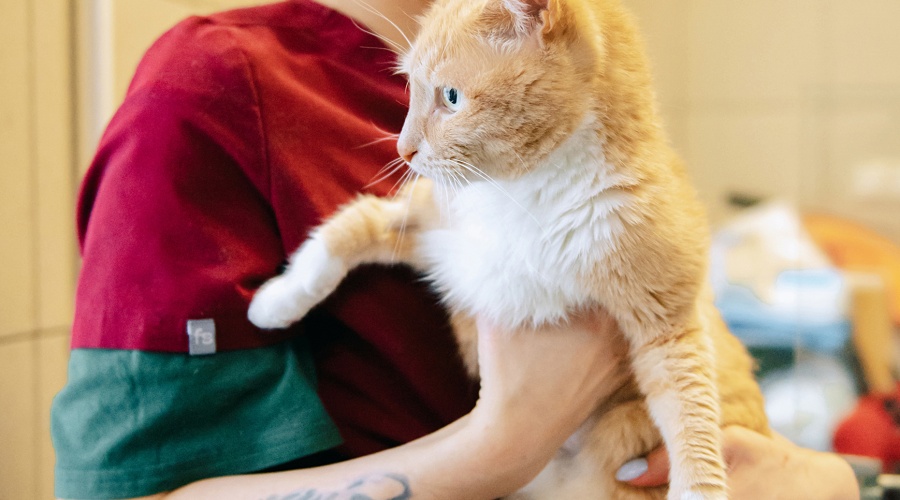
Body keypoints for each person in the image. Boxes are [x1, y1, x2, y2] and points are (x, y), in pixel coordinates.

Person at [50, 0, 860, 498]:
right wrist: (503, 441)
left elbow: (674, 331)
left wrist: (819, 479)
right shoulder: (210, 91)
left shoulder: (559, 63)